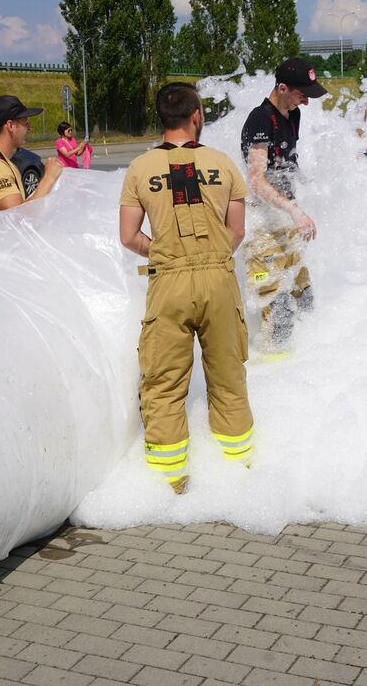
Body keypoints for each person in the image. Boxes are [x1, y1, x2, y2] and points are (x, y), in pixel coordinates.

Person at [118, 82, 253, 495]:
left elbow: (128, 236)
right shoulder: (224, 163)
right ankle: (239, 471)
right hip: (218, 281)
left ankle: (169, 481)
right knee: (228, 376)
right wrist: (209, 257)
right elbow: (237, 232)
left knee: (163, 383)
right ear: (197, 116)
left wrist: (163, 253)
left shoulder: (139, 169)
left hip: (168, 283)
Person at [241, 57, 324, 356]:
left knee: (305, 299)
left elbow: (288, 166)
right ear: (283, 87)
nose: (306, 102)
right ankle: (272, 369)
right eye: (303, 95)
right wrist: (295, 211)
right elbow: (258, 181)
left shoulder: (293, 116)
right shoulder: (260, 120)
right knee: (278, 309)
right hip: (262, 231)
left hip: (287, 223)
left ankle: (306, 364)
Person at [0, 96, 64, 218]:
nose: (29, 128)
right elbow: (20, 214)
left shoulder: (1, 161)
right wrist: (49, 178)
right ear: (10, 125)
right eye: (25, 122)